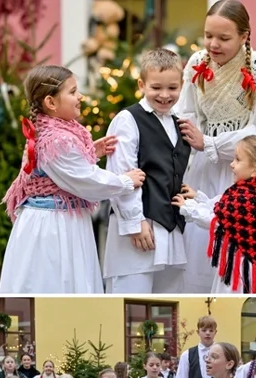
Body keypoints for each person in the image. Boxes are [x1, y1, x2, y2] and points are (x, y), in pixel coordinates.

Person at [175, 0, 256, 294]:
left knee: (246, 243)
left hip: (250, 171)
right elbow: (186, 111)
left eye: (224, 38)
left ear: (244, 36)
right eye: (208, 36)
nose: (213, 44)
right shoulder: (197, 63)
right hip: (204, 164)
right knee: (201, 242)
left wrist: (213, 142)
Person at [0, 64, 143, 293]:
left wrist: (90, 154)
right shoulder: (57, 140)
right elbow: (86, 181)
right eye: (73, 92)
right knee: (56, 281)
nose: (80, 96)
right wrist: (124, 181)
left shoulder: (54, 132)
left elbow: (64, 172)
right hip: (54, 225)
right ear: (51, 102)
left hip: (62, 217)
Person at [104, 48, 189, 293]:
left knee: (170, 295)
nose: (164, 95)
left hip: (170, 228)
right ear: (142, 84)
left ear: (181, 85)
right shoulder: (127, 120)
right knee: (131, 291)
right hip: (140, 227)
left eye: (172, 88)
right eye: (156, 88)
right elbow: (121, 174)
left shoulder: (178, 123)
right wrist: (135, 223)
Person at [174, 135, 256, 293]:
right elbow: (222, 207)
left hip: (244, 271)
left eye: (237, 160)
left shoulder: (248, 198)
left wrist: (188, 207)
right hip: (249, 267)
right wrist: (197, 197)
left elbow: (217, 222)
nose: (232, 164)